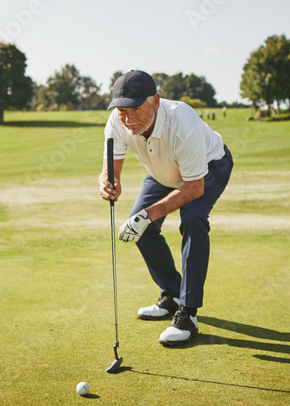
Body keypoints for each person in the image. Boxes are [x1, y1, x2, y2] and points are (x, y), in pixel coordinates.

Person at [99, 70, 233, 346]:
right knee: (142, 229)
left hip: (208, 168)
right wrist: (108, 183)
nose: (127, 117)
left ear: (156, 101)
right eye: (121, 110)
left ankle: (188, 312)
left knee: (193, 219)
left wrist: (148, 214)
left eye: (135, 108)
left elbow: (194, 188)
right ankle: (172, 294)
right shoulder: (118, 121)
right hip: (163, 172)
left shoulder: (184, 123)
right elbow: (109, 172)